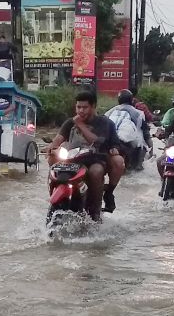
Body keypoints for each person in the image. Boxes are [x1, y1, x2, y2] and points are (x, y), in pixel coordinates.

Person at [48, 90, 125, 219]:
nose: (81, 111)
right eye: (78, 107)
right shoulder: (69, 123)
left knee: (96, 172)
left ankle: (94, 212)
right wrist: (51, 148)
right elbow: (58, 139)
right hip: (72, 160)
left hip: (96, 159)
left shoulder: (104, 122)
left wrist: (80, 125)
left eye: (85, 107)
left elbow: (95, 141)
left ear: (93, 107)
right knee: (53, 164)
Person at [105, 89, 149, 170]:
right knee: (141, 141)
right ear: (131, 100)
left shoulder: (111, 110)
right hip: (124, 140)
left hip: (109, 139)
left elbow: (103, 121)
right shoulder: (138, 113)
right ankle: (138, 165)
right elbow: (142, 128)